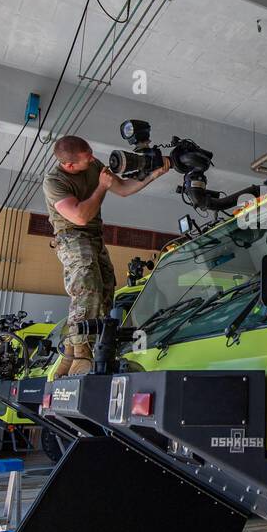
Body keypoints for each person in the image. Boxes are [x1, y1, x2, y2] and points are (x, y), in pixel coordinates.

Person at [42, 135, 171, 376]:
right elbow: (80, 217)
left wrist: (153, 175)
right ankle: (81, 352)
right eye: (86, 158)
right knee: (87, 287)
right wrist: (101, 186)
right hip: (71, 236)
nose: (92, 160)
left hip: (94, 237)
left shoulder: (93, 165)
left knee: (106, 289)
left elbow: (122, 189)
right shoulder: (54, 181)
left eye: (91, 153)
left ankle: (72, 353)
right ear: (69, 165)